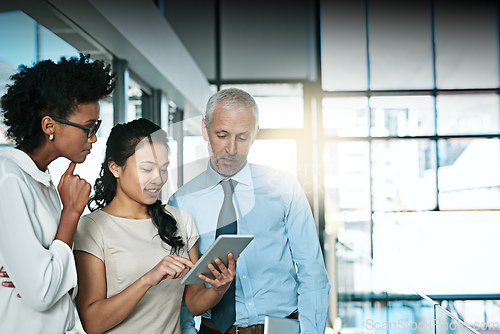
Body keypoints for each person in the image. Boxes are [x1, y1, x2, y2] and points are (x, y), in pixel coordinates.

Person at [169, 88, 331, 334]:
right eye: (222, 135)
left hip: (281, 328)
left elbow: (312, 270)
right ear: (205, 129)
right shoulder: (181, 202)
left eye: (242, 137)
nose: (231, 149)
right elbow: (181, 287)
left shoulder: (284, 188)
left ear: (255, 133)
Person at [73, 118, 236, 334]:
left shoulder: (181, 220)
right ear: (115, 168)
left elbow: (194, 302)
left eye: (164, 169)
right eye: (147, 169)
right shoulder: (92, 227)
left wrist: (219, 288)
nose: (158, 179)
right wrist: (148, 279)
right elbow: (92, 323)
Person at [0, 54, 116, 333]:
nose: (94, 138)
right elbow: (41, 293)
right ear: (49, 126)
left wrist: (39, 274)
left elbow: (54, 280)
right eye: (89, 128)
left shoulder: (45, 182)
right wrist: (71, 213)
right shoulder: (9, 179)